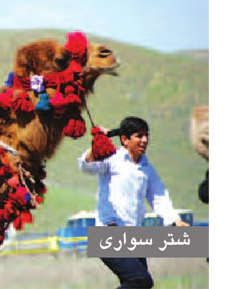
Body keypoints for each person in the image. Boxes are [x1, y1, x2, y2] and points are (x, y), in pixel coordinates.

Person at [77, 116, 188, 289]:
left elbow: (158, 196)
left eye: (146, 136)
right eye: (139, 136)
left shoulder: (147, 168)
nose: (145, 140)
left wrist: (173, 219)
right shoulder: (112, 160)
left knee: (140, 285)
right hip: (108, 233)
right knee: (141, 281)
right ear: (125, 140)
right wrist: (97, 144)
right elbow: (86, 165)